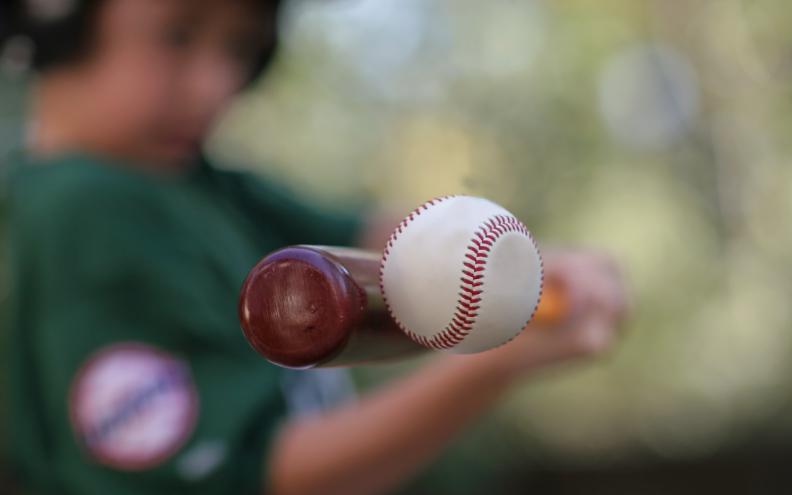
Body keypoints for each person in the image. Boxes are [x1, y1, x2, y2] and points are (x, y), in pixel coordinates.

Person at [0, 1, 628, 494]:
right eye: (178, 34)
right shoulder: (83, 208)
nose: (216, 85)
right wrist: (497, 361)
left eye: (240, 46)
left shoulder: (196, 184)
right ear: (56, 16)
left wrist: (536, 266)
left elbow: (389, 241)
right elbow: (255, 478)